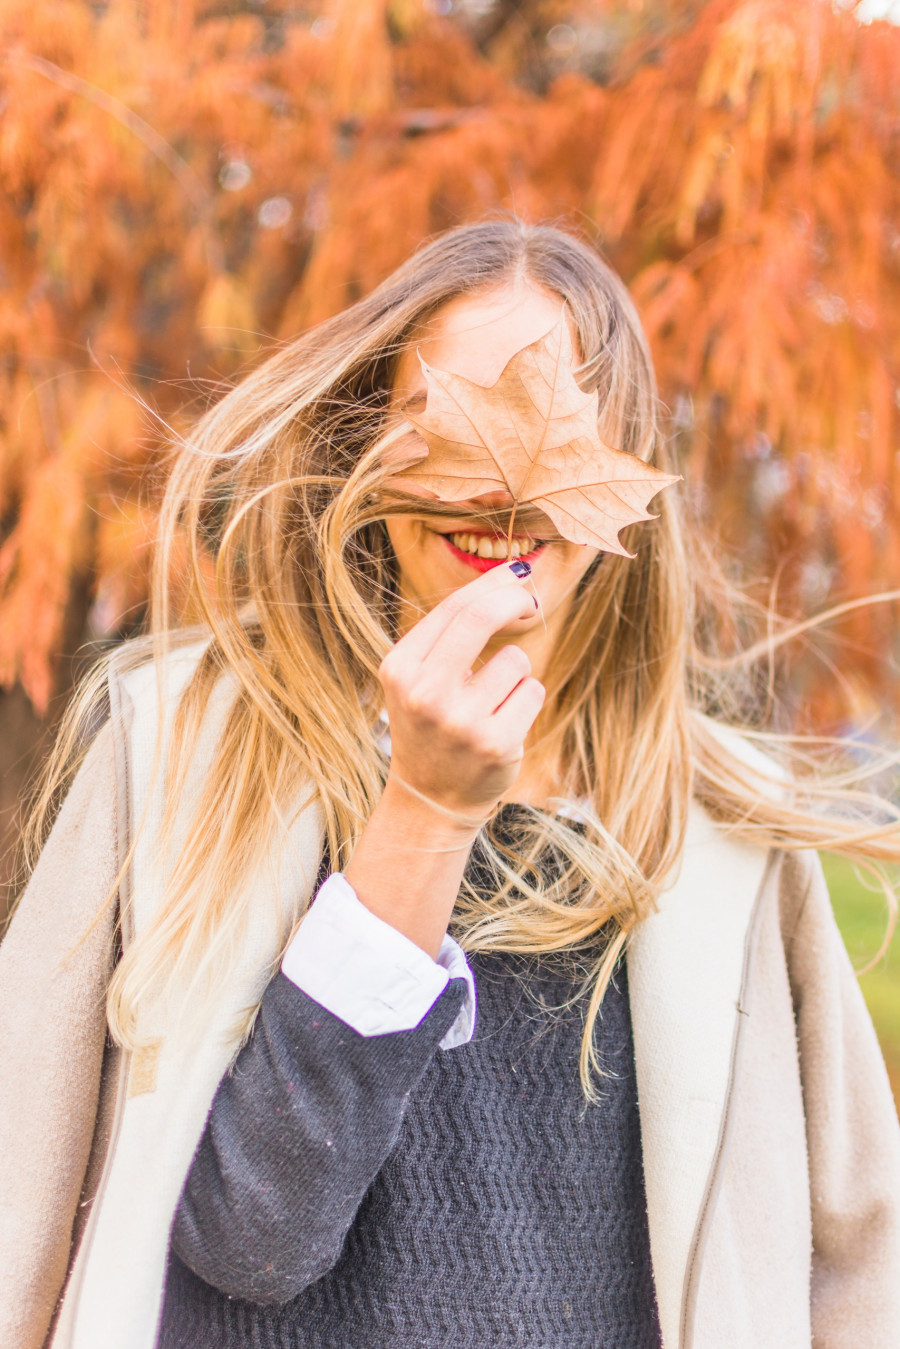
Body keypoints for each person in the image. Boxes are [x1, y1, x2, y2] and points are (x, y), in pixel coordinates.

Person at [1, 219, 899, 1349]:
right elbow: (250, 1240)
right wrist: (422, 814)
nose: (501, 494)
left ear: (625, 474)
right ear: (362, 444)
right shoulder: (181, 750)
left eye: (554, 427)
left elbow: (857, 1273)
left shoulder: (724, 836)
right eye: (449, 422)